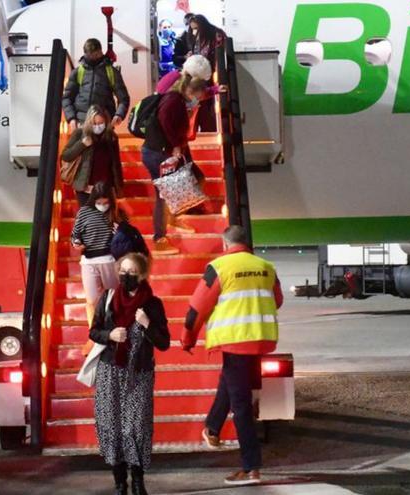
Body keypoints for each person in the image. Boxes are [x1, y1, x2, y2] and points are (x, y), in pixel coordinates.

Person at [181, 225, 284, 486]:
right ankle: (212, 428)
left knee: (241, 406)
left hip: (234, 340)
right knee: (229, 384)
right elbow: (278, 300)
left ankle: (251, 468)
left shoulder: (219, 267)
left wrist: (188, 337)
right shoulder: (266, 266)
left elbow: (197, 306)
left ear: (224, 244)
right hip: (259, 339)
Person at [90, 252, 170, 495]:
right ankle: (119, 483)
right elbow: (94, 331)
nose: (126, 276)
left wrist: (147, 324)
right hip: (110, 372)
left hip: (139, 375)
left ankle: (138, 481)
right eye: (122, 271)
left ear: (143, 275)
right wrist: (109, 335)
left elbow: (164, 342)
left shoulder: (152, 304)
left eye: (132, 272)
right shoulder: (108, 298)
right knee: (111, 426)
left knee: (135, 428)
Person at [141, 75, 210, 256]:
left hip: (166, 150)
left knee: (197, 177)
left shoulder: (179, 99)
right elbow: (166, 124)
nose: (199, 101)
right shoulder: (173, 101)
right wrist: (175, 146)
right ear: (190, 91)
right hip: (159, 153)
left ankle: (173, 216)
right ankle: (159, 239)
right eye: (199, 97)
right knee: (163, 194)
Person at [71, 182, 123, 323]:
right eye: (98, 202)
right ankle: (95, 331)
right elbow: (75, 235)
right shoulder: (84, 212)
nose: (102, 205)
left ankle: (114, 325)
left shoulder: (117, 212)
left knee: (114, 297)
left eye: (105, 202)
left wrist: (119, 232)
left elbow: (127, 235)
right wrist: (77, 244)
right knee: (92, 299)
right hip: (88, 261)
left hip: (110, 260)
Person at [61, 105, 124, 206]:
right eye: (94, 123)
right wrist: (82, 144)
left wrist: (118, 187)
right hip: (85, 188)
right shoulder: (80, 133)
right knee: (88, 218)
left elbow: (116, 164)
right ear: (89, 122)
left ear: (106, 122)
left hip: (105, 188)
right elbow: (66, 156)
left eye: (100, 123)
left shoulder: (111, 137)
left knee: (105, 220)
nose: (97, 126)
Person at [63, 39, 131, 131]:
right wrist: (71, 118)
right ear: (86, 54)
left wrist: (119, 115)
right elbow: (67, 98)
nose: (95, 57)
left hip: (104, 122)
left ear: (101, 51)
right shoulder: (78, 72)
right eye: (92, 55)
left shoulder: (111, 72)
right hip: (82, 123)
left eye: (97, 54)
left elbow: (124, 99)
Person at [187, 15, 227, 131]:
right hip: (203, 74)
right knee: (203, 102)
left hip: (210, 74)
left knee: (207, 103)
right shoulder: (203, 37)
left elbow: (217, 54)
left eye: (195, 28)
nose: (193, 32)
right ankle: (205, 127)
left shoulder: (214, 35)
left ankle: (208, 128)